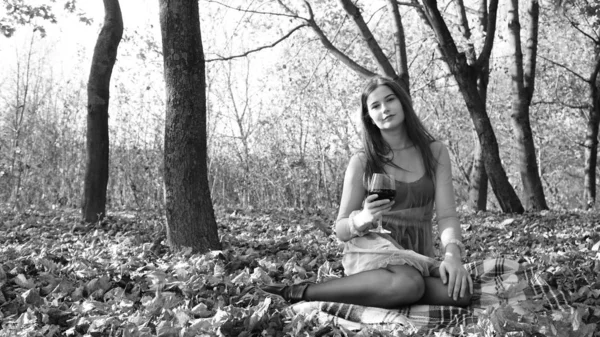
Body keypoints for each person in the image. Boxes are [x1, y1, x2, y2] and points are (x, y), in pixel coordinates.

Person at [262, 75, 472, 309]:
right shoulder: (363, 161)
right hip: (373, 250)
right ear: (369, 117)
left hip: (416, 254)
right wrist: (363, 218)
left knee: (459, 294)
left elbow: (447, 216)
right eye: (375, 106)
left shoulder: (435, 152)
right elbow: (341, 230)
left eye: (390, 100)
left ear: (403, 103)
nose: (385, 109)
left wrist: (453, 256)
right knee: (409, 284)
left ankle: (377, 290)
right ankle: (302, 291)